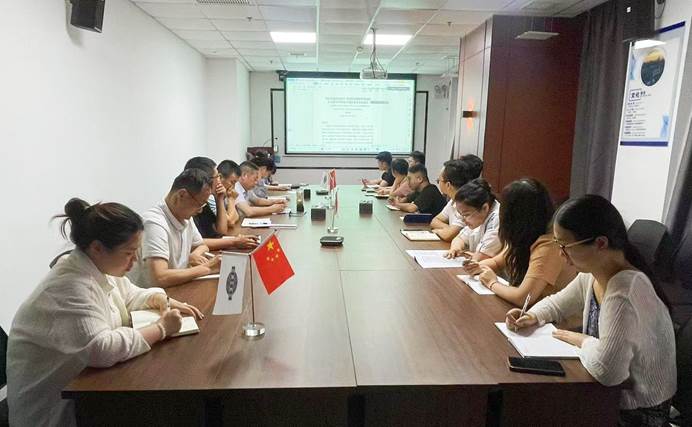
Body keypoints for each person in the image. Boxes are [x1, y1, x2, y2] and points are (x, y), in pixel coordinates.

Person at [7, 198, 204, 427]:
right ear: (97, 248)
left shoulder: (97, 265)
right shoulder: (70, 286)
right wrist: (161, 328)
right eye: (129, 253)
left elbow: (129, 295)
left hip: (88, 390)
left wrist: (160, 298)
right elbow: (102, 348)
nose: (134, 262)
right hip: (56, 410)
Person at [507, 195, 676, 426]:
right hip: (604, 393)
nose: (561, 254)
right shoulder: (595, 273)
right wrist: (532, 315)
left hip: (635, 409)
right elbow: (557, 303)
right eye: (558, 245)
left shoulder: (625, 292)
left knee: (530, 410)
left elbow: (608, 372)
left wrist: (583, 340)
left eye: (565, 247)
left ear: (600, 243)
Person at [462, 178, 576, 306]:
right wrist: (478, 266)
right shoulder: (524, 237)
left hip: (551, 317)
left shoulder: (549, 245)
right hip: (530, 311)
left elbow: (523, 298)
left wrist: (492, 282)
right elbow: (497, 262)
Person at [130, 169, 221, 288]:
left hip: (177, 287)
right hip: (155, 294)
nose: (200, 210)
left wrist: (195, 254)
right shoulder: (154, 223)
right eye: (199, 204)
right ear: (181, 195)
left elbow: (202, 245)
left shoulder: (185, 216)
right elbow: (160, 278)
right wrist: (207, 267)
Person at [186, 157, 259, 250]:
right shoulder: (190, 205)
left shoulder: (206, 202)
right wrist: (234, 242)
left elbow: (222, 231)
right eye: (217, 177)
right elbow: (195, 242)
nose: (219, 181)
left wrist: (219, 199)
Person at [445, 178, 501, 261]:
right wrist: (455, 248)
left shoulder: (497, 218)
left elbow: (481, 257)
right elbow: (459, 238)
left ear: (485, 208)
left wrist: (467, 254)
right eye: (461, 215)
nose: (463, 220)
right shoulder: (478, 217)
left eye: (466, 215)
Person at [431, 159, 473, 241]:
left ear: (448, 185)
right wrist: (449, 229)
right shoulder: (452, 201)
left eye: (438, 181)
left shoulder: (466, 202)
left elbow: (449, 236)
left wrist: (439, 231)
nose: (438, 183)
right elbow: (434, 221)